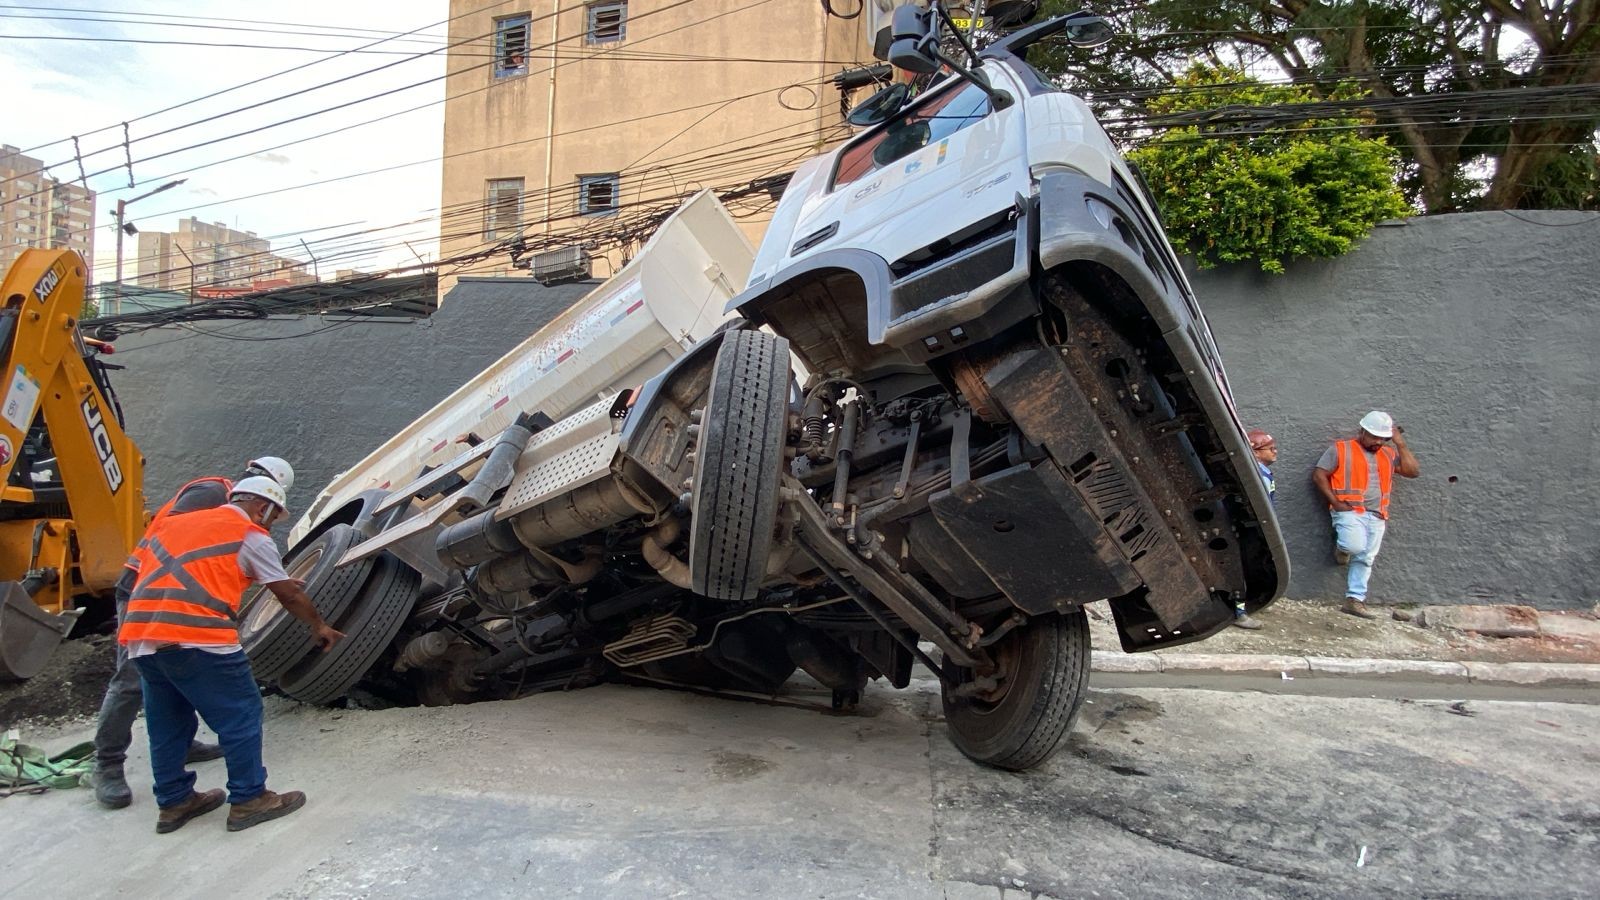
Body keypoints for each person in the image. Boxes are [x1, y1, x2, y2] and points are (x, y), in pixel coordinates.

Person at [122, 475, 343, 834]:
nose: (269, 525)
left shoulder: (175, 524)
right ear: (262, 507)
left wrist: (265, 577)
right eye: (271, 518)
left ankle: (174, 802)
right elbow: (288, 596)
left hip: (142, 638)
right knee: (241, 714)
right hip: (199, 638)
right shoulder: (249, 534)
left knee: (167, 723)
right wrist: (319, 625)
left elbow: (195, 569)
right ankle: (249, 799)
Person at [92, 457, 295, 810]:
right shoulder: (214, 492)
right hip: (145, 583)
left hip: (165, 585)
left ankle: (180, 759)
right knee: (131, 678)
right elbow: (176, 543)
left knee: (169, 687)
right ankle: (107, 764)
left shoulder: (232, 511)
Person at [1312, 411, 1421, 619]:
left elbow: (1413, 471)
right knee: (1353, 546)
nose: (1377, 441)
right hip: (1349, 510)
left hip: (1377, 514)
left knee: (1366, 559)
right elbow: (1319, 474)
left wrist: (1400, 444)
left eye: (1383, 438)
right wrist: (1334, 502)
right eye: (1373, 436)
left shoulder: (1388, 454)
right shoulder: (1341, 449)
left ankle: (1355, 600)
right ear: (1362, 431)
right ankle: (1342, 548)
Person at [1232, 429, 1277, 629]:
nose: (1275, 451)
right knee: (1241, 570)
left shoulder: (1258, 472)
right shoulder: (1257, 475)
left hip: (1251, 530)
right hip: (1249, 531)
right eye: (1270, 448)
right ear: (1256, 453)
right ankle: (1238, 612)